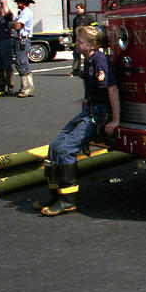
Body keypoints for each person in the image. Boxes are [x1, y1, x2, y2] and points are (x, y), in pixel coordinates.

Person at [36, 25, 120, 216]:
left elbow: (112, 90)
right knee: (55, 147)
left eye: (80, 42)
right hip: (90, 108)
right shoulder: (88, 60)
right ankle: (55, 196)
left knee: (66, 150)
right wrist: (85, 98)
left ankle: (67, 202)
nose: (76, 44)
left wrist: (114, 120)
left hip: (99, 113)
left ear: (91, 44)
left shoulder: (99, 61)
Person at [9, 0, 36, 97]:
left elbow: (17, 25)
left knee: (21, 63)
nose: (17, 4)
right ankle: (27, 87)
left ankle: (27, 88)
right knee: (22, 63)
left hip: (22, 40)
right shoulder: (22, 12)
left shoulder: (25, 13)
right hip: (21, 40)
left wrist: (10, 24)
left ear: (21, 3)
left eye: (18, 2)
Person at [69, 3, 94, 77]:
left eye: (78, 8)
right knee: (76, 54)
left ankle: (90, 69)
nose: (77, 10)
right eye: (76, 8)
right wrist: (73, 42)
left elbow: (94, 29)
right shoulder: (76, 19)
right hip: (78, 40)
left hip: (87, 40)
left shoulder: (90, 18)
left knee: (88, 55)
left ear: (83, 9)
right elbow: (74, 31)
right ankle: (76, 70)